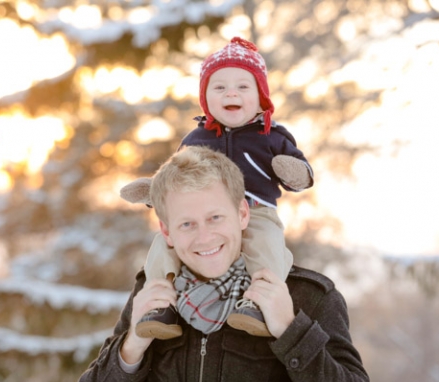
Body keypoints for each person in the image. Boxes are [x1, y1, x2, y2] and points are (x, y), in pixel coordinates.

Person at [77, 146, 373, 382]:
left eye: (215, 217)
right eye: (187, 224)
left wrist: (290, 329)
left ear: (243, 213)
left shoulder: (307, 297)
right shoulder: (155, 294)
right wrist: (133, 341)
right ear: (167, 231)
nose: (204, 237)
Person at [120, 37, 313, 340]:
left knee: (266, 244)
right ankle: (161, 303)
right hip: (202, 215)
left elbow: (300, 175)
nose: (231, 93)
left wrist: (293, 170)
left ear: (261, 97)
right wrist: (153, 191)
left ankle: (258, 302)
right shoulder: (196, 139)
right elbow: (176, 177)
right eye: (219, 87)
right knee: (163, 244)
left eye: (243, 87)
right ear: (206, 97)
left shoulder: (271, 136)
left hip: (258, 210)